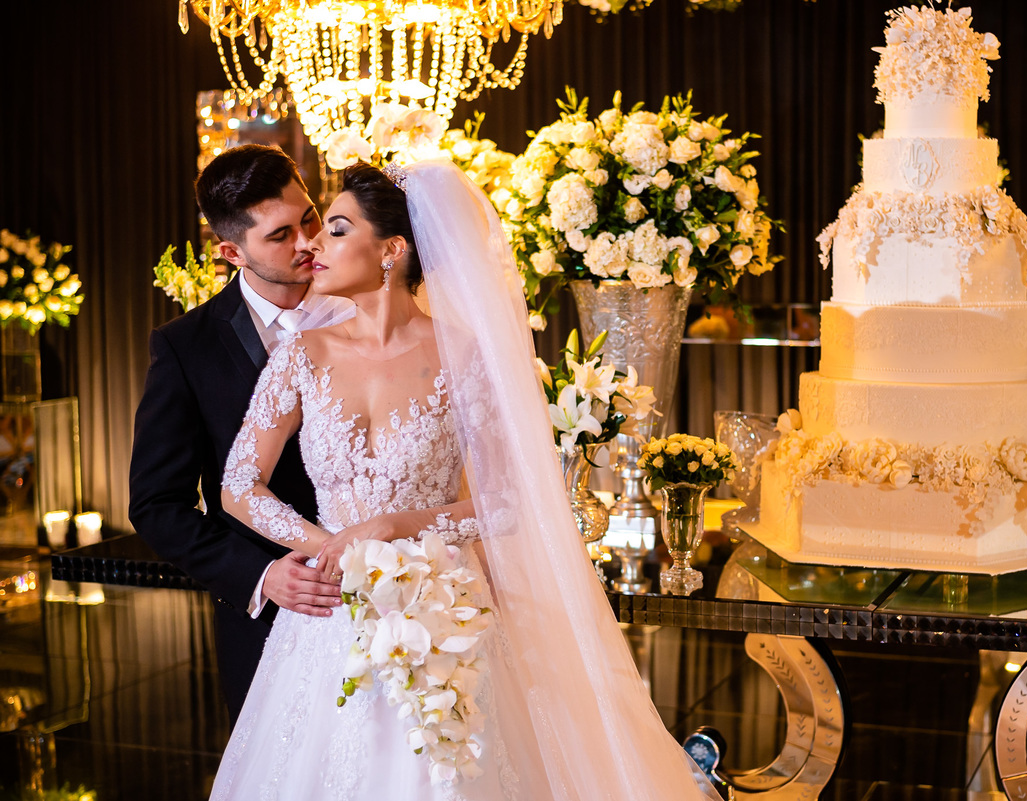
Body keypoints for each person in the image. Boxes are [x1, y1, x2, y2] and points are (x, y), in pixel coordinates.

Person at [209, 160, 720, 800]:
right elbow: (238, 483)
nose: (313, 244)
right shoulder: (302, 355)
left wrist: (394, 527)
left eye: (336, 229)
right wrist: (327, 546)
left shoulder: (464, 355)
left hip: (444, 607)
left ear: (391, 250)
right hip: (331, 607)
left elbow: (510, 501)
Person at [128, 145, 354, 721]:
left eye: (310, 218)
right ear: (232, 251)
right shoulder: (185, 347)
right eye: (280, 235)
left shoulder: (370, 307)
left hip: (396, 591)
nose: (308, 242)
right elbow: (157, 505)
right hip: (273, 617)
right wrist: (259, 576)